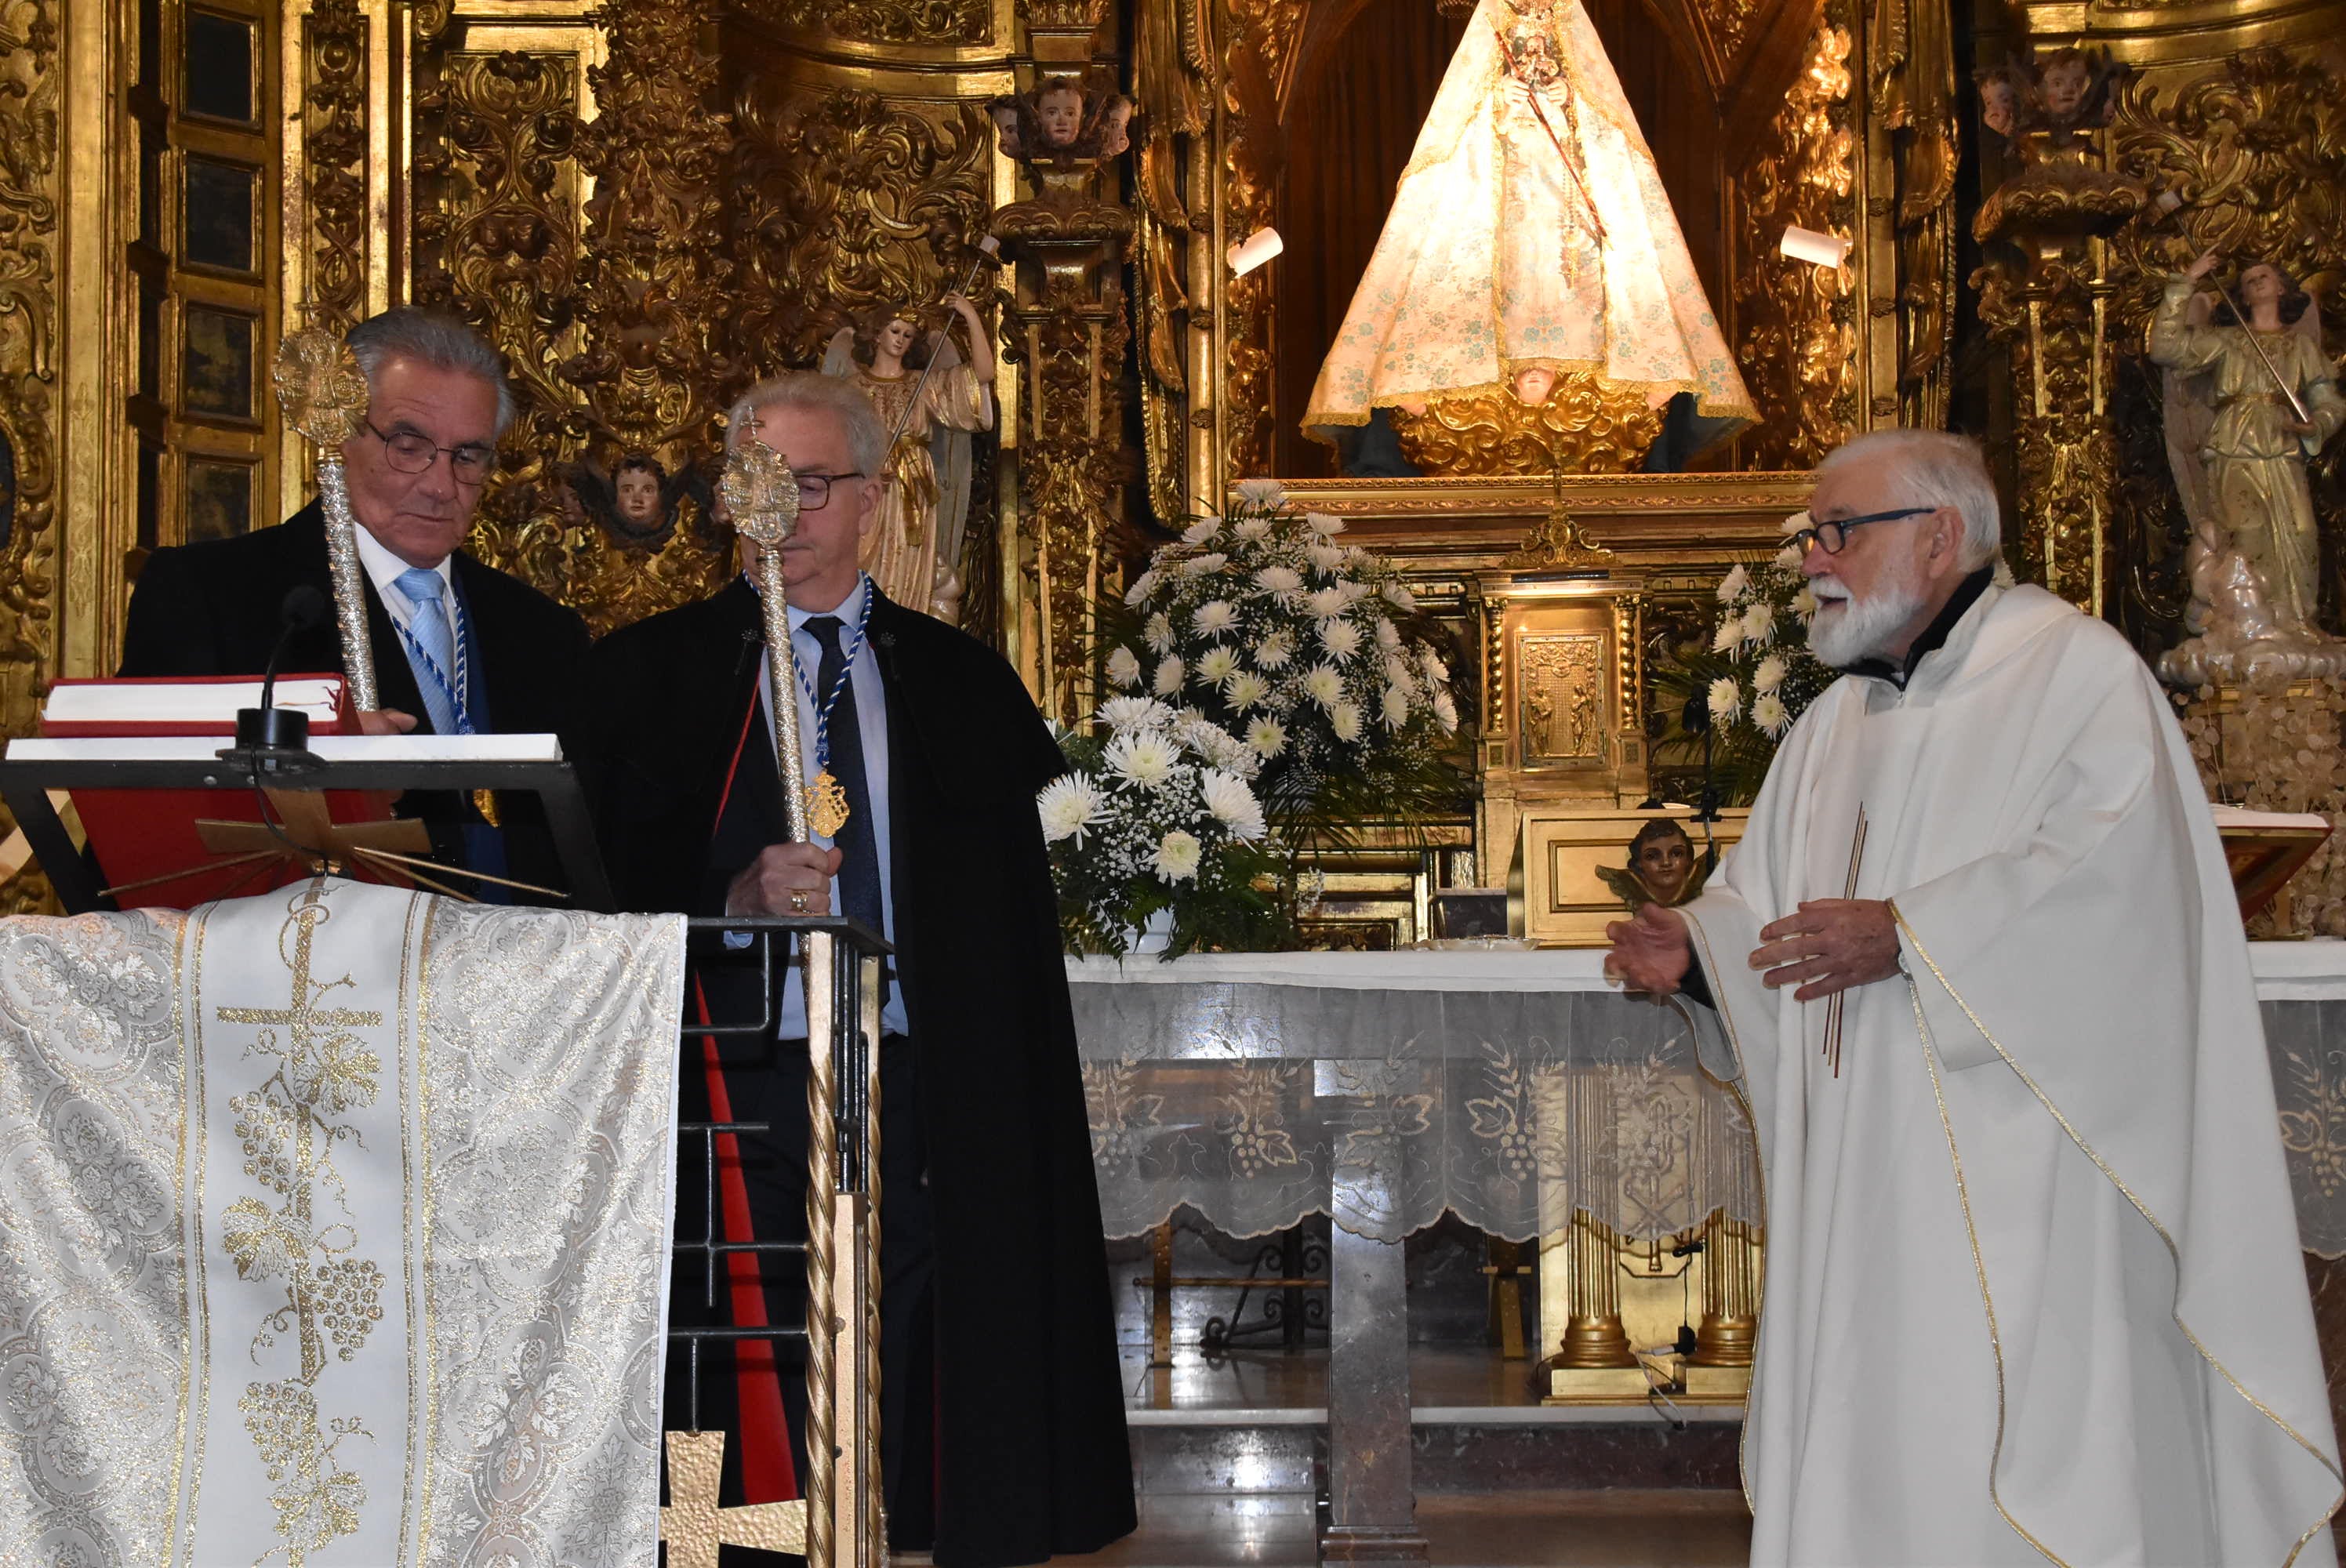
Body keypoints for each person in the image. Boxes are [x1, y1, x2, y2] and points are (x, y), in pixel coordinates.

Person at [1604, 430, 2342, 1566]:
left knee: (2014, 1444)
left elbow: (2119, 887)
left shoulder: (2078, 676)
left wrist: (1911, 933)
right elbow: (1768, 909)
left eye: (1839, 531)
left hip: (2028, 1178)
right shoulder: (1833, 726)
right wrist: (1698, 950)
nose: (1814, 558)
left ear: (1941, 535)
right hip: (1862, 1189)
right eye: (1813, 535)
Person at [586, 372, 1135, 1566]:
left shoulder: (956, 679)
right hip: (725, 1071)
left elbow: (998, 932)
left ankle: (902, 1531)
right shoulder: (646, 678)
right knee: (728, 1325)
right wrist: (731, 903)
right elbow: (595, 902)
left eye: (811, 484)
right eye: (754, 484)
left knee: (924, 1314)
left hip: (918, 1071)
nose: (780, 513)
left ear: (875, 499)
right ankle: (729, 1548)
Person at [119, 307, 590, 895]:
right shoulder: (212, 595)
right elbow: (140, 837)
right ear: (341, 437)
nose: (441, 486)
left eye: (468, 455)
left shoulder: (544, 631)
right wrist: (312, 786)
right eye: (408, 445)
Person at [1302, 0, 1754, 448]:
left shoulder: (1570, 24)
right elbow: (1454, 123)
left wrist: (1572, 98)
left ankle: (1605, 382)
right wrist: (1499, 99)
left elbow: (1609, 118)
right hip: (1500, 186)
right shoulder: (1491, 27)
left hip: (1567, 194)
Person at [2151, 250, 2344, 635]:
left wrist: (2316, 425)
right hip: (2235, 446)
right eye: (2248, 280)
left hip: (2283, 444)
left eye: (2264, 276)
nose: (2256, 282)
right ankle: (2250, 624)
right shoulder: (2228, 341)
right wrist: (2187, 280)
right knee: (2248, 531)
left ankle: (2297, 624)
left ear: (2283, 288)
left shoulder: (2301, 346)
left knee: (2302, 533)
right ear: (2241, 296)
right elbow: (2165, 348)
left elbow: (2329, 401)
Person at [820, 296, 996, 626]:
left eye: (908, 335)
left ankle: (902, 627)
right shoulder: (852, 388)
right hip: (866, 487)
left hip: (911, 486)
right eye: (895, 331)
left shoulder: (922, 383)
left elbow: (983, 374)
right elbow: (831, 445)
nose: (900, 340)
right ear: (877, 334)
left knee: (908, 561)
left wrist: (970, 315)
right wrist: (868, 462)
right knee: (861, 556)